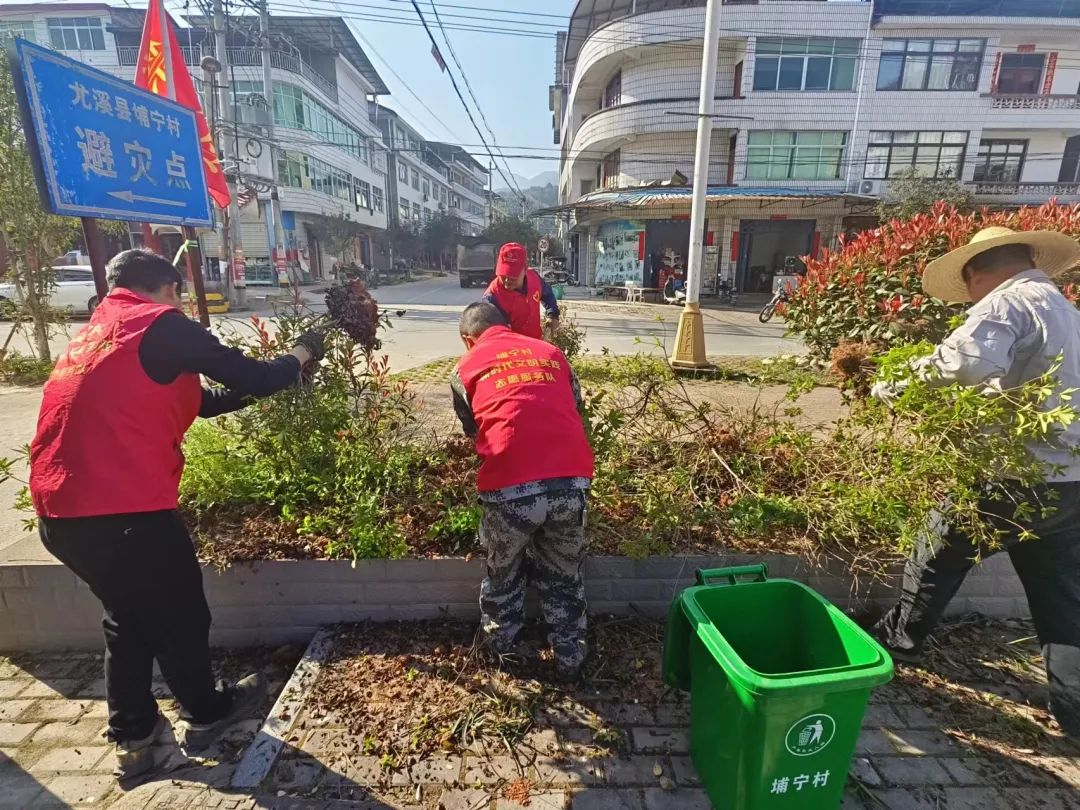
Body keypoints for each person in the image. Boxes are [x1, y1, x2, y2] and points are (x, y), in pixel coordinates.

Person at [29, 249, 326, 779]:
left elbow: (206, 401)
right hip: (122, 511)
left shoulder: (100, 333)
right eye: (179, 294)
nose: (181, 303)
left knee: (129, 617)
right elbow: (253, 377)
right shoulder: (159, 323)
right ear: (167, 287)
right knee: (182, 613)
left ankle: (135, 737)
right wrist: (300, 356)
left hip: (62, 513)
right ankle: (206, 714)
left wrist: (276, 381)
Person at [870, 227, 1080, 739]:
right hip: (1070, 479)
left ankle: (897, 643)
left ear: (976, 273)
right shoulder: (1066, 311)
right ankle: (1074, 709)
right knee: (1061, 594)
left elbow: (967, 363)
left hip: (1014, 474)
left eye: (968, 287)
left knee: (935, 550)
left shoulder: (1006, 303)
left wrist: (894, 384)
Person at [450, 302, 594, 681]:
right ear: (508, 326)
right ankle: (571, 658)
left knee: (504, 571)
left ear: (469, 339)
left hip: (509, 488)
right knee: (564, 574)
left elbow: (474, 430)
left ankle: (505, 656)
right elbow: (574, 406)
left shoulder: (464, 369)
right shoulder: (551, 354)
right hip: (570, 481)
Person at [483, 242, 560, 340]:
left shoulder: (534, 279)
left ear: (525, 270)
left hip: (536, 342)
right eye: (503, 275)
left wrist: (553, 314)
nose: (507, 281)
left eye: (512, 277)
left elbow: (547, 294)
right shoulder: (492, 297)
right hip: (511, 349)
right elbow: (496, 335)